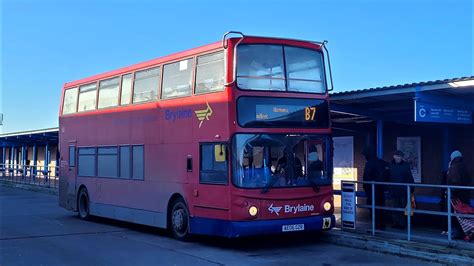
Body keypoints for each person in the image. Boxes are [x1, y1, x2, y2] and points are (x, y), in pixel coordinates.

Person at [446, 150, 473, 241]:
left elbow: (453, 182)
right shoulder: (464, 166)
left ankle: (457, 233)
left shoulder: (454, 167)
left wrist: (452, 194)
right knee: (465, 214)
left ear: (453, 157)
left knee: (456, 215)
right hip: (465, 194)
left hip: (457, 197)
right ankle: (468, 232)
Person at [362, 146, 390, 230]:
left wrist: (367, 187)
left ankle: (376, 227)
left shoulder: (369, 163)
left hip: (372, 191)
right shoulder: (383, 162)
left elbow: (366, 178)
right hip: (381, 190)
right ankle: (381, 225)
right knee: (380, 207)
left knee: (373, 209)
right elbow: (387, 173)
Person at [388, 150, 415, 229]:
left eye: (400, 156)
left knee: (404, 207)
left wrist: (412, 187)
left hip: (403, 190)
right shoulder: (390, 165)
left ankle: (403, 224)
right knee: (395, 207)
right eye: (397, 156)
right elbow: (387, 176)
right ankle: (396, 223)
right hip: (394, 190)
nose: (399, 157)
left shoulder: (405, 165)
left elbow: (409, 176)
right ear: (394, 156)